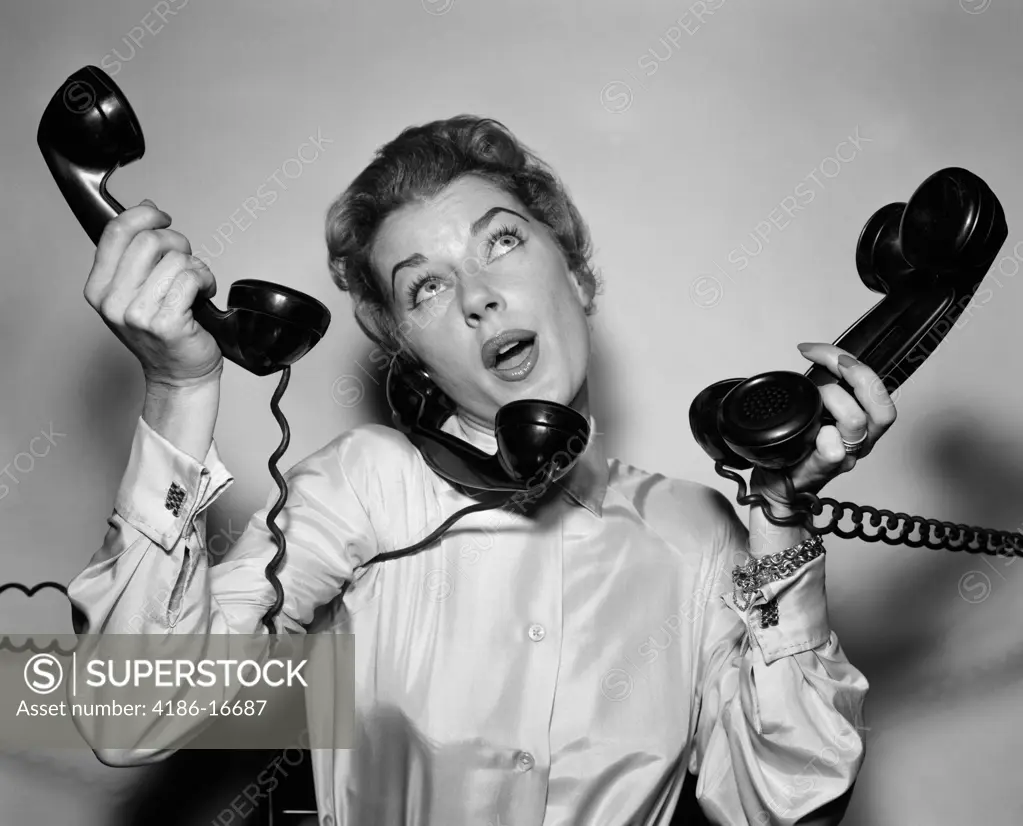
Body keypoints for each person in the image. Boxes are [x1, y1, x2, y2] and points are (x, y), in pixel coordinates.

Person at [67, 115, 896, 826]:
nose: (477, 296)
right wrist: (180, 386)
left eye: (500, 241)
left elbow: (782, 804)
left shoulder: (696, 531)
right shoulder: (360, 486)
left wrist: (782, 514)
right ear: (412, 359)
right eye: (425, 287)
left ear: (572, 269)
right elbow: (129, 715)